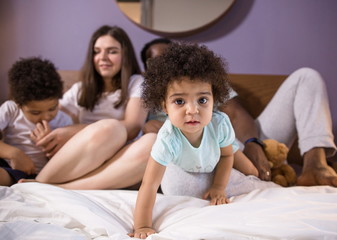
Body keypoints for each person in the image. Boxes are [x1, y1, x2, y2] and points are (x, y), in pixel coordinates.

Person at [139, 38, 337, 189]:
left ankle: (315, 166)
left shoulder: (205, 82)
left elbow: (235, 113)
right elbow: (147, 133)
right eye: (155, 60)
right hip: (210, 157)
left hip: (247, 140)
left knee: (307, 76)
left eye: (170, 57)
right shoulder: (146, 98)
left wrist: (254, 143)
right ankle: (265, 185)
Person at [130, 42, 258, 239]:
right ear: (165, 106)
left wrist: (218, 187)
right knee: (181, 187)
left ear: (214, 100)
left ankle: (269, 178)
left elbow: (226, 156)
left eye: (202, 100)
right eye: (179, 101)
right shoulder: (167, 137)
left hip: (218, 154)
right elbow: (149, 184)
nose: (193, 110)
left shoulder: (219, 122)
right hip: (189, 166)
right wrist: (142, 226)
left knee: (252, 173)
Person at [20, 25, 156, 189]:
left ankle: (58, 187)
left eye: (112, 51)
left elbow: (133, 127)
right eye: (97, 51)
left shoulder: (137, 82)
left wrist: (74, 130)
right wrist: (44, 131)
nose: (103, 57)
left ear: (125, 55)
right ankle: (42, 182)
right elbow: (51, 116)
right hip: (84, 160)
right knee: (109, 128)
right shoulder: (81, 88)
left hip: (120, 163)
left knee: (150, 142)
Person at [0, 57, 72, 186]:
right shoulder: (11, 109)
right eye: (35, 113)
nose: (46, 117)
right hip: (8, 163)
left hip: (35, 174)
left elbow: (66, 162)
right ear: (19, 104)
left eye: (52, 108)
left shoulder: (64, 121)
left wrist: (50, 147)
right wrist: (14, 153)